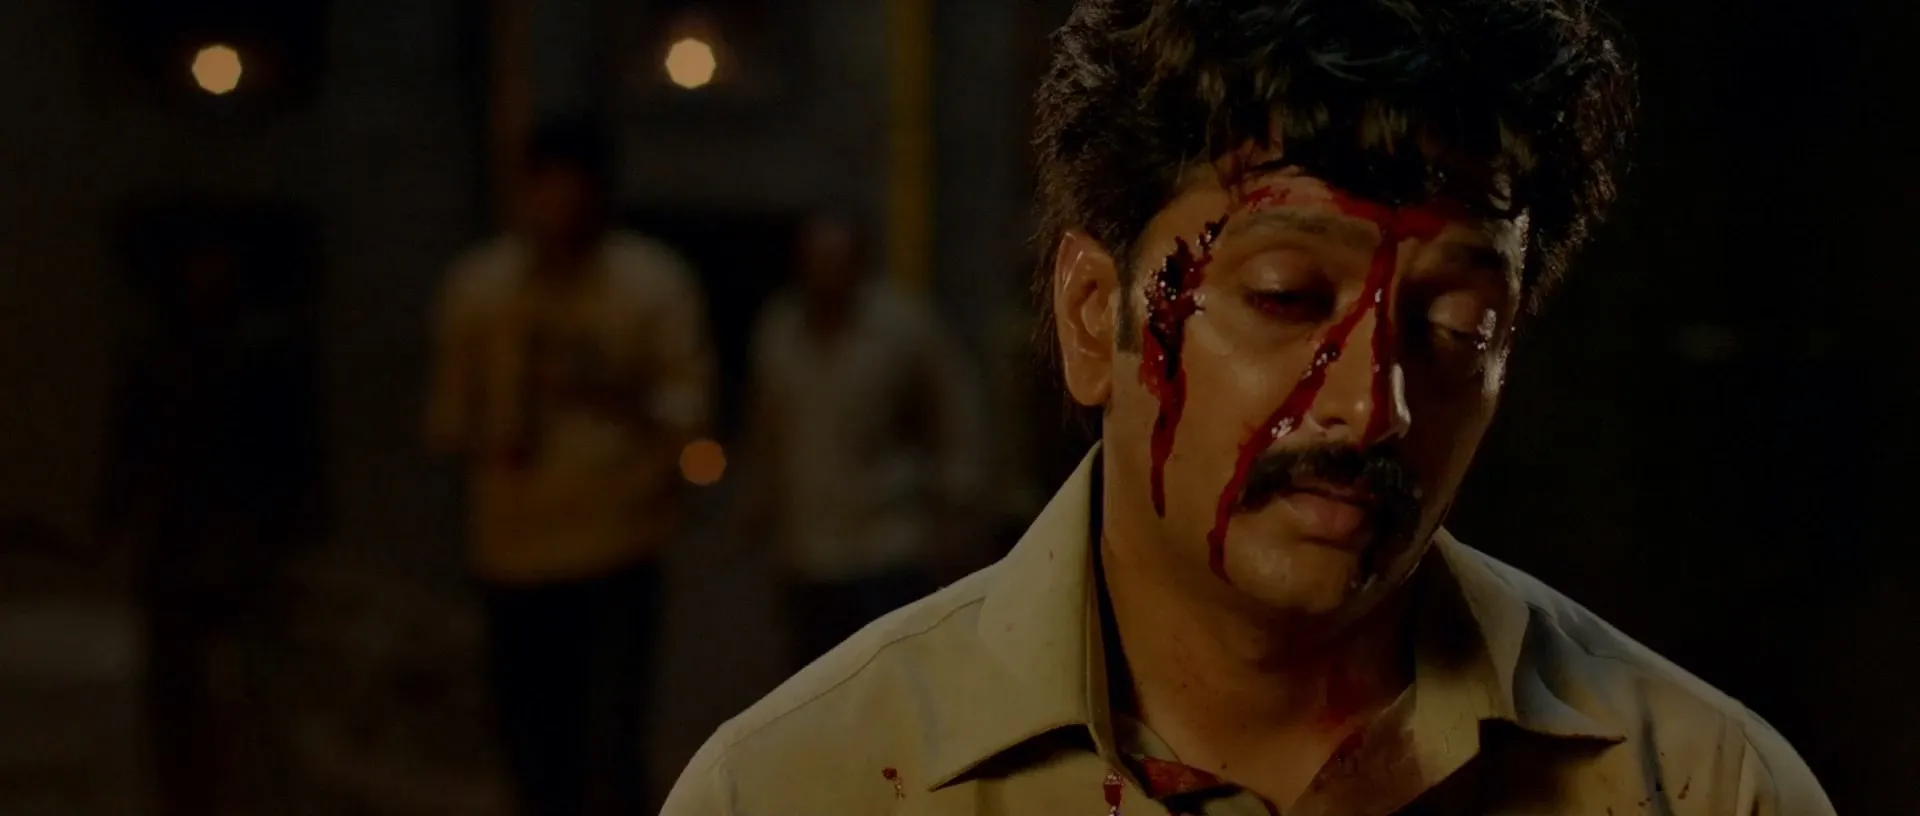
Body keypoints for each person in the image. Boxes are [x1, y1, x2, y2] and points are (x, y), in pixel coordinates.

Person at [662, 1, 1836, 814]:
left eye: (1456, 328)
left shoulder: (1698, 787)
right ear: (1092, 317)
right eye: (1284, 297)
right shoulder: (803, 788)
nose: (1368, 411)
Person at [424, 113, 713, 816]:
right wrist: (499, 424)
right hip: (513, 555)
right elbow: (445, 420)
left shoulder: (650, 284)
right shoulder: (480, 288)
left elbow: (691, 417)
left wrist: (605, 391)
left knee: (610, 748)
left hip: (616, 550)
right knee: (531, 750)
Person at [97, 236, 324, 816]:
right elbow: (129, 440)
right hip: (175, 537)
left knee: (254, 680)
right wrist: (115, 517)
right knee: (174, 685)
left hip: (243, 534)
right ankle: (185, 792)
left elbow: (294, 443)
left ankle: (253, 789)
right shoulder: (154, 347)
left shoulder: (266, 348)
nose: (207, 273)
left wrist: (296, 519)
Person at [739, 214, 986, 671]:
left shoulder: (902, 328)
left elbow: (955, 406)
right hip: (808, 549)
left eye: (837, 262)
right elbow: (768, 429)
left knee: (890, 678)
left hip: (885, 544)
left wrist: (956, 497)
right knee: (814, 681)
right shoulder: (780, 331)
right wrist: (758, 506)